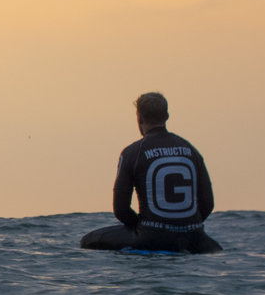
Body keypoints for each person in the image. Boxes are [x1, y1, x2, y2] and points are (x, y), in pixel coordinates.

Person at [79, 93, 222, 252]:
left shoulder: (132, 153)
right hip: (194, 237)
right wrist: (186, 226)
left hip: (153, 237)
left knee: (88, 241)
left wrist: (142, 227)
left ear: (139, 118)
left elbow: (121, 209)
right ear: (167, 116)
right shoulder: (191, 150)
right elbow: (208, 203)